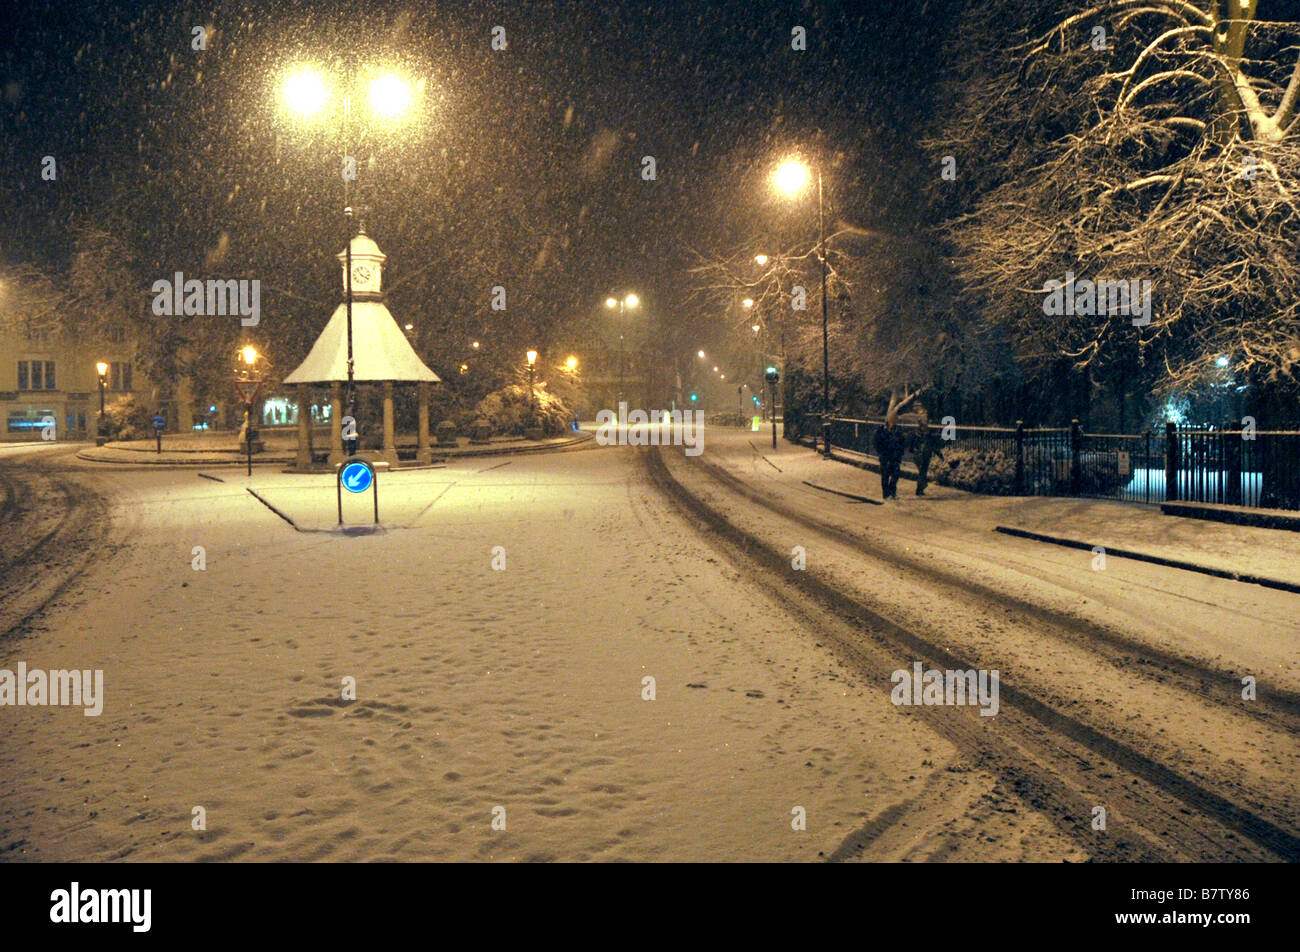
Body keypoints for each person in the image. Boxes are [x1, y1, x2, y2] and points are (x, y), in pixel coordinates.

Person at [874, 411, 906, 499]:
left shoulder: (898, 431)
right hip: (885, 456)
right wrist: (881, 452)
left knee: (895, 475)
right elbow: (877, 443)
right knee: (885, 475)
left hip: (895, 456)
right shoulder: (881, 431)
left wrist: (900, 453)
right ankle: (886, 493)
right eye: (893, 420)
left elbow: (902, 442)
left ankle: (892, 491)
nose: (895, 422)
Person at [911, 406, 940, 496]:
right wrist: (916, 451)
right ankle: (920, 489)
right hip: (920, 456)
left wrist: (939, 454)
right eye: (925, 425)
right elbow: (912, 445)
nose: (926, 426)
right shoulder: (917, 434)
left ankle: (920, 489)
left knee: (923, 472)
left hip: (926, 455)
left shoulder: (928, 434)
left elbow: (933, 446)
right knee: (922, 472)